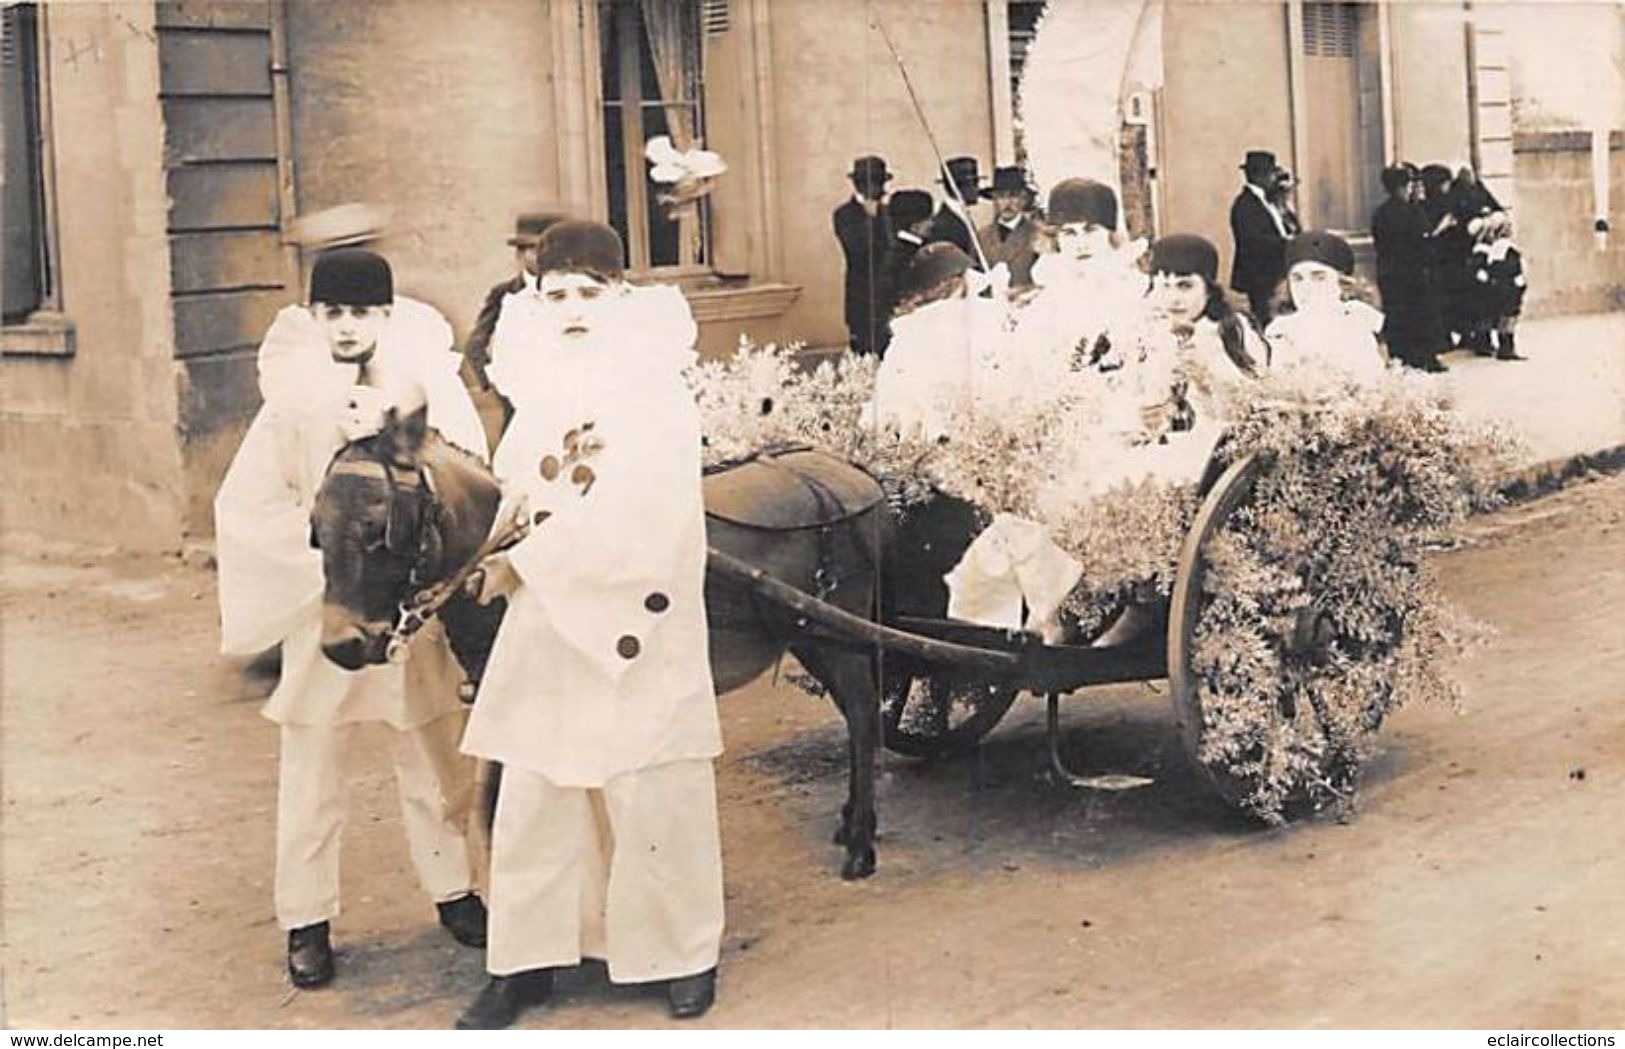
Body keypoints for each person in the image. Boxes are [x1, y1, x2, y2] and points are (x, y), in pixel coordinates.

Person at [456, 221, 724, 1030]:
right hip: (547, 616)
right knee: (537, 784)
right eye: (556, 294)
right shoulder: (539, 391)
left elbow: (650, 512)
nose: (572, 309)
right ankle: (526, 958)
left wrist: (533, 560)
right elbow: (519, 490)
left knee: (647, 786)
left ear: (621, 297)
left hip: (632, 609)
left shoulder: (654, 391)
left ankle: (682, 953)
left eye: (588, 293)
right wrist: (493, 549)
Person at [214, 249, 490, 992]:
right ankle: (306, 918)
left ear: (386, 316)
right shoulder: (292, 400)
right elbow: (245, 504)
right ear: (313, 316)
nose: (345, 327)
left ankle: (454, 888)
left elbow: (468, 474)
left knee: (432, 749)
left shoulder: (427, 382)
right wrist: (329, 567)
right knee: (313, 761)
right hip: (329, 606)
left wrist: (406, 429)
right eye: (332, 313)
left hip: (406, 605)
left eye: (361, 313)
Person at [463, 211, 570, 433]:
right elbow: (475, 345)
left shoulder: (571, 291)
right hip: (521, 396)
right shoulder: (504, 293)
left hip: (564, 392)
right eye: (532, 249)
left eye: (547, 250)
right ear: (520, 254)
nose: (539, 257)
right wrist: (495, 386)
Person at [1265, 231, 1390, 385]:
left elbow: (1374, 382)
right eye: (1297, 279)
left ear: (1342, 285)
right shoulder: (1282, 332)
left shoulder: (1359, 322)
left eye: (1319, 278)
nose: (1306, 288)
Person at [1371, 165, 1448, 372]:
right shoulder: (1413, 212)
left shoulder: (1380, 213)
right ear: (1405, 186)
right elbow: (1422, 243)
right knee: (1420, 314)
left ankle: (1400, 357)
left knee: (1396, 314)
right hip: (1413, 272)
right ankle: (1424, 357)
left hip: (1389, 272)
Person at [832, 155, 893, 355]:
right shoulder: (845, 214)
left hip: (888, 300)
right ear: (861, 185)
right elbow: (857, 248)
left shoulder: (887, 213)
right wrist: (872, 218)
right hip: (862, 302)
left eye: (881, 182)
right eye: (875, 183)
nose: (880, 189)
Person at [1229, 149, 1292, 328]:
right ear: (1260, 176)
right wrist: (1287, 243)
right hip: (1260, 273)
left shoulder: (1269, 202)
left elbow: (1287, 226)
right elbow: (1253, 241)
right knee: (1265, 319)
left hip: (1272, 271)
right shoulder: (1245, 205)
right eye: (1272, 174)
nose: (1275, 179)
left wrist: (1284, 203)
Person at [1466, 210, 1529, 361]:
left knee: (1503, 317)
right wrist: (1519, 283)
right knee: (1507, 317)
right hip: (1508, 287)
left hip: (1499, 287)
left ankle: (1502, 346)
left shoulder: (1494, 249)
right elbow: (1511, 269)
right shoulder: (1506, 249)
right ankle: (1505, 347)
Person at [879, 188, 936, 332]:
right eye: (928, 219)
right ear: (915, 226)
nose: (932, 224)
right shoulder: (907, 255)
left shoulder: (896, 250)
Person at [977, 166, 1041, 289]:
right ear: (994, 199)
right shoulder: (982, 236)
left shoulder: (1037, 235)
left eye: (1013, 195)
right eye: (1001, 196)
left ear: (1024, 199)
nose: (1007, 203)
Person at [927, 155, 986, 264]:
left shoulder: (961, 216)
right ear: (960, 188)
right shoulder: (944, 224)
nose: (978, 189)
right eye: (975, 184)